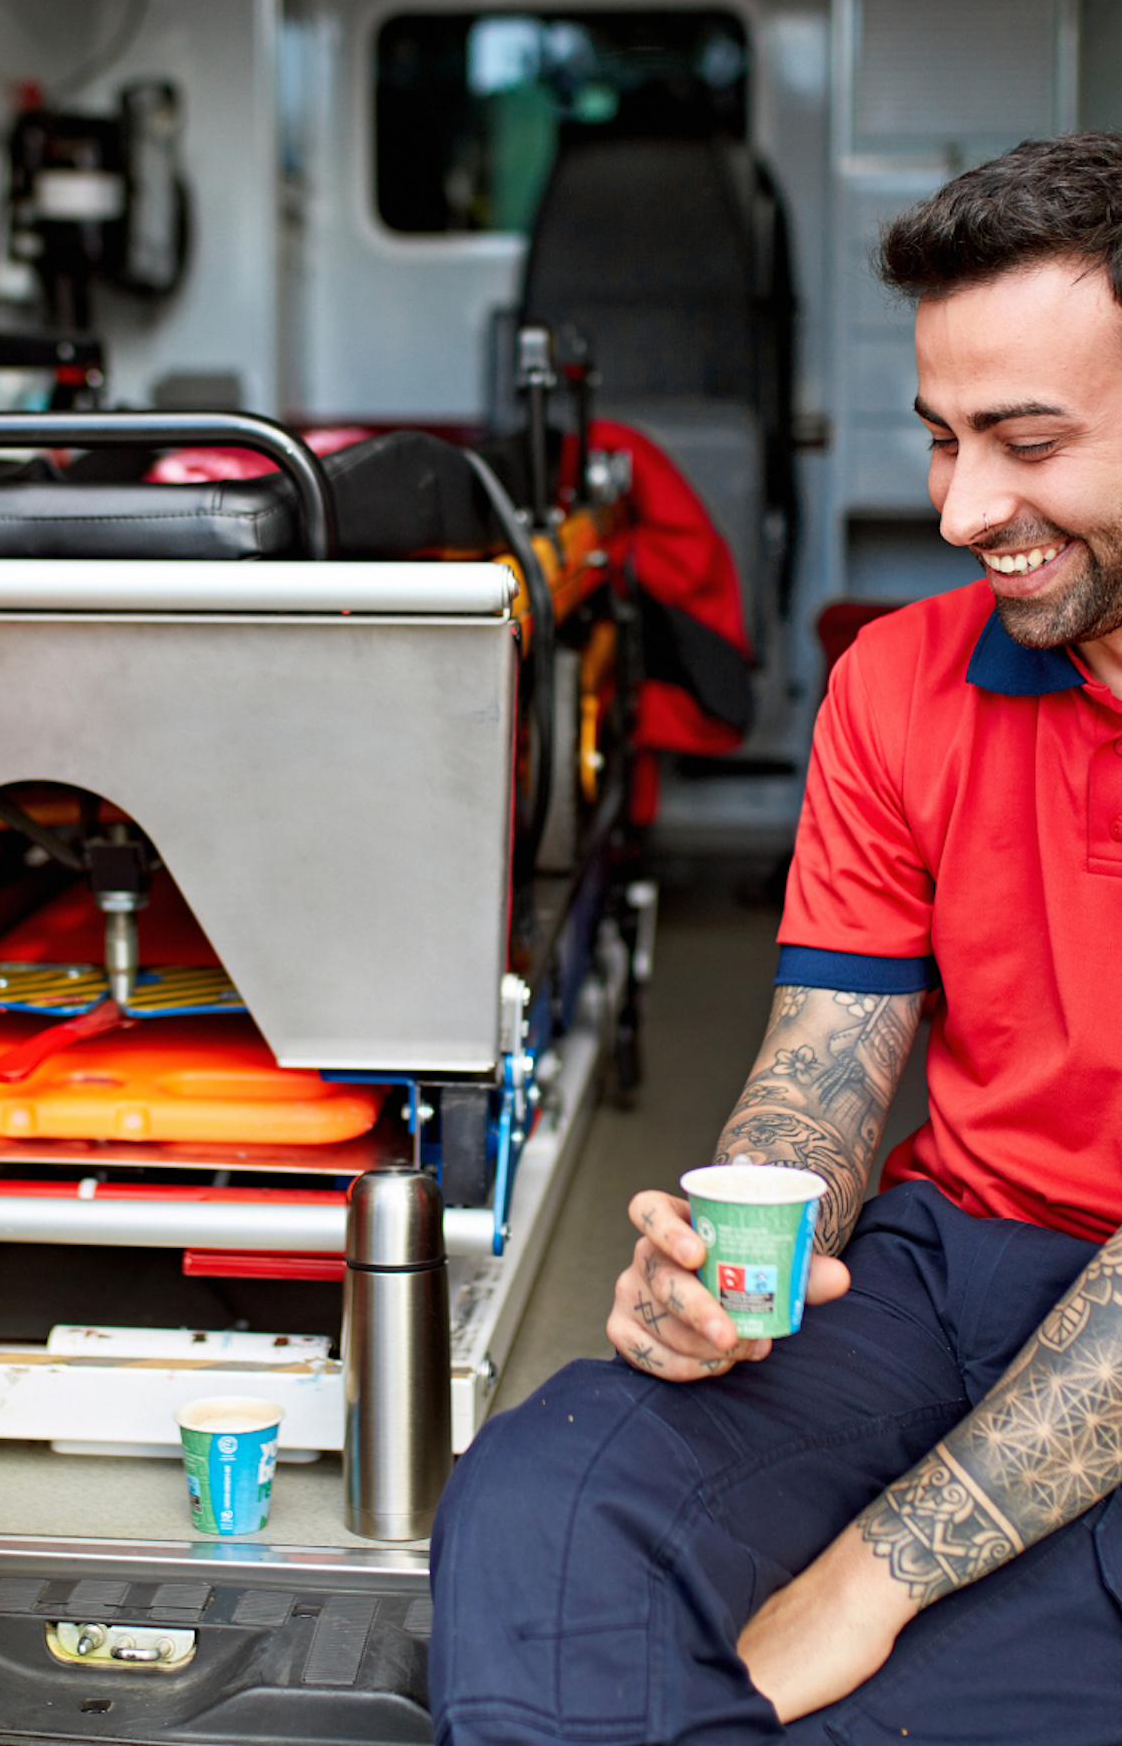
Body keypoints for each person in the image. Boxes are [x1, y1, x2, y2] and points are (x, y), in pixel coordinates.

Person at [428, 132, 1122, 1746]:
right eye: (942, 439)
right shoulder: (897, 684)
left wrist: (869, 1578)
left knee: (881, 1698)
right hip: (953, 1269)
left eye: (1027, 442)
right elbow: (824, 1069)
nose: (964, 508)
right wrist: (727, 1261)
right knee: (545, 1506)